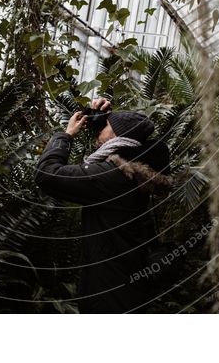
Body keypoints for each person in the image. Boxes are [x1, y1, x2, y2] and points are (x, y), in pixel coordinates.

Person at [35, 97, 173, 313]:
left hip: (109, 298)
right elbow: (103, 147)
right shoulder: (133, 171)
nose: (100, 130)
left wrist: (66, 135)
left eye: (105, 126)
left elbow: (47, 175)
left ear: (118, 137)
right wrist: (94, 114)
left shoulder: (113, 177)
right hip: (129, 289)